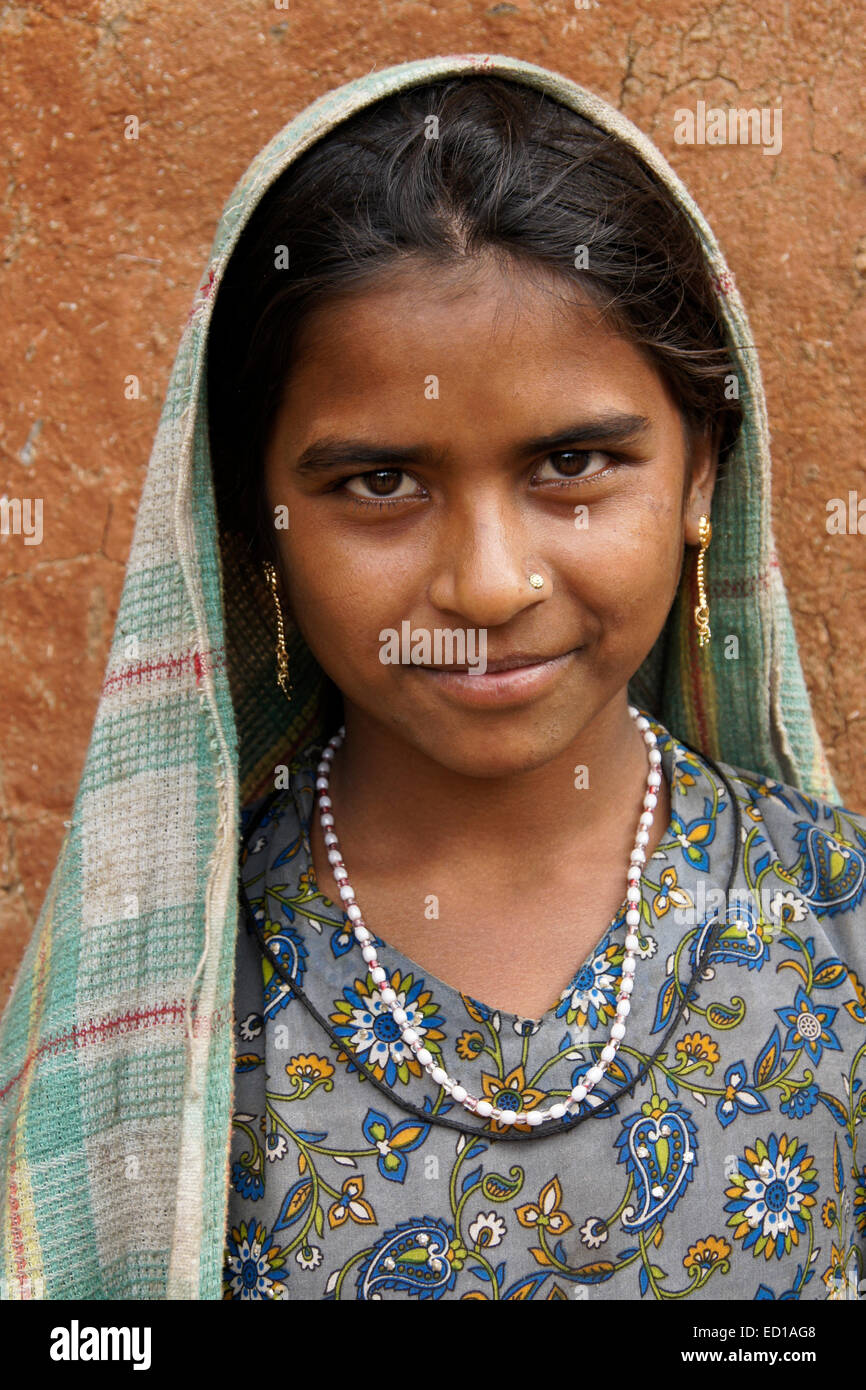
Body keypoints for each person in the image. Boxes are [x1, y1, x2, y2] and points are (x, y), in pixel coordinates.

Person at [1, 53, 863, 1304]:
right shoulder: (164, 1010)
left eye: (571, 461)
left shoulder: (830, 924)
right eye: (379, 484)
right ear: (253, 526)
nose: (486, 582)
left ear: (698, 477)